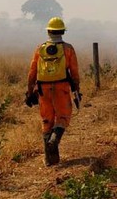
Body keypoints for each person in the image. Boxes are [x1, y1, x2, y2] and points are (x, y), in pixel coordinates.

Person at [26, 17, 80, 166]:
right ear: (62, 31)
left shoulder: (39, 48)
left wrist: (29, 92)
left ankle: (50, 160)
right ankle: (55, 139)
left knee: (47, 120)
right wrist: (77, 90)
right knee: (63, 117)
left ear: (49, 31)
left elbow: (32, 73)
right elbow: (74, 73)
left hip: (43, 89)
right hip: (61, 87)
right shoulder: (68, 48)